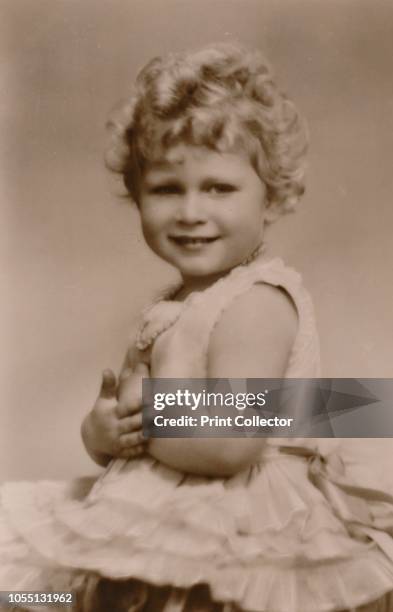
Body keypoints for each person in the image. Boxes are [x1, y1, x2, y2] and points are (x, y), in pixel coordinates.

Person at [1, 43, 393, 612]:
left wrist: (150, 412)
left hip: (239, 526)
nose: (190, 211)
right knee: (50, 590)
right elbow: (133, 426)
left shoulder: (257, 302)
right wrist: (105, 432)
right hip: (160, 514)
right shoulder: (173, 305)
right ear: (137, 197)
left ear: (272, 197)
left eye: (218, 188)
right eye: (166, 189)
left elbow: (233, 440)